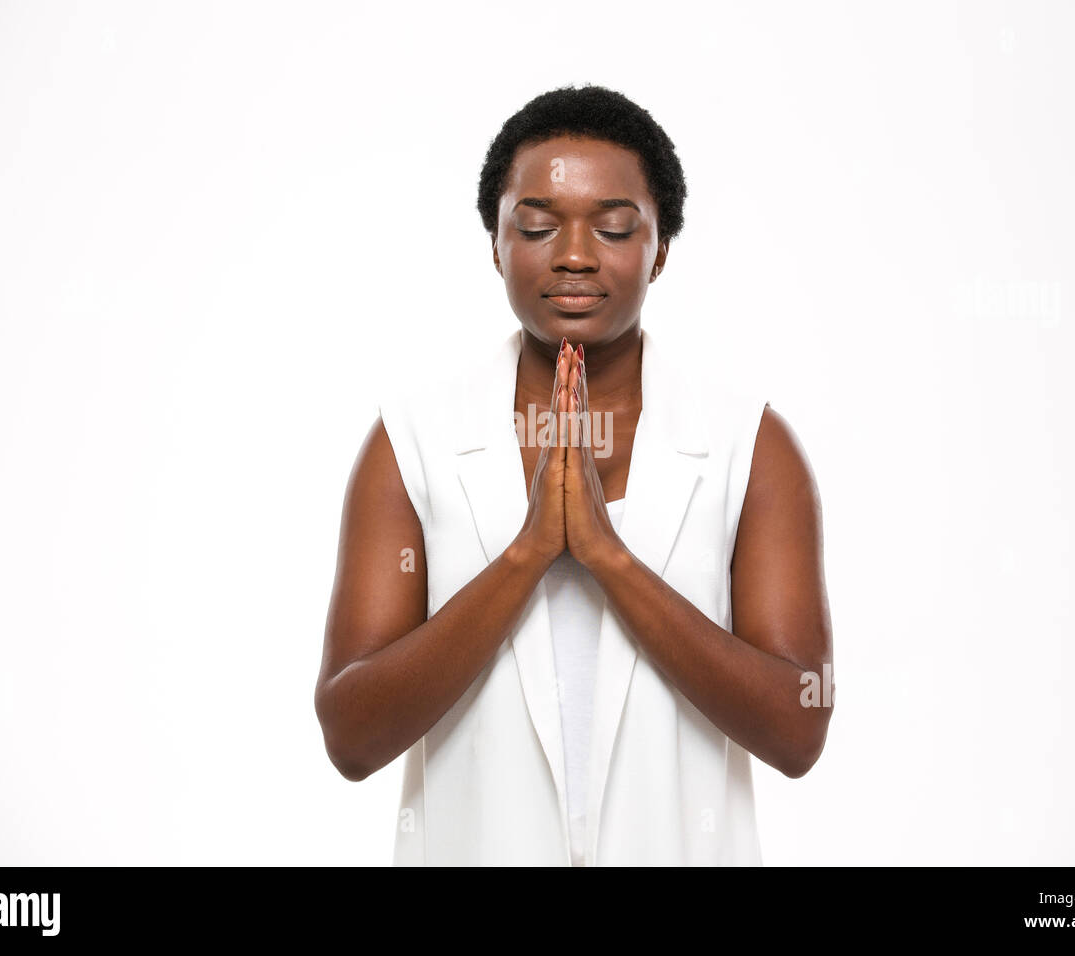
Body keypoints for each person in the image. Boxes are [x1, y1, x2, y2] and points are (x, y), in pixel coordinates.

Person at [314, 84, 833, 866]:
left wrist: (607, 556)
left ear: (661, 248)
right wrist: (528, 554)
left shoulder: (749, 444)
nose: (575, 254)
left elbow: (799, 729)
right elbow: (351, 736)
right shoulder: (410, 441)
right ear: (495, 242)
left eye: (615, 226)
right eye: (537, 225)